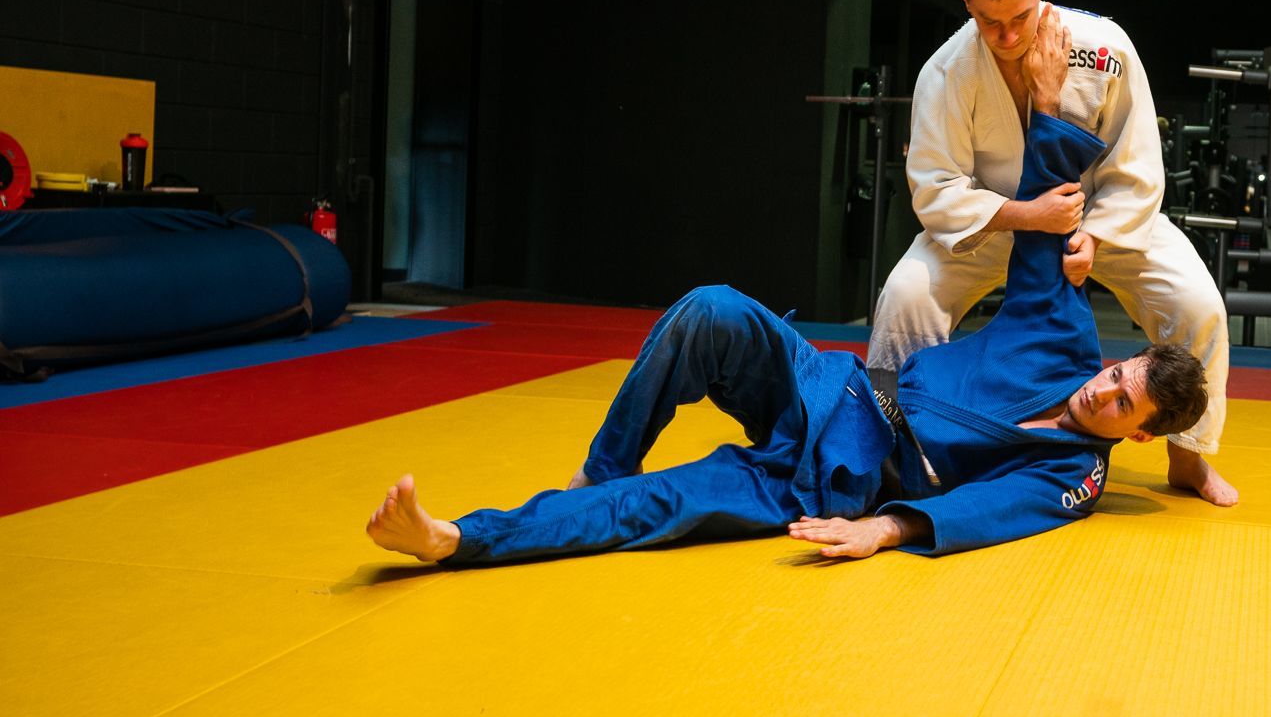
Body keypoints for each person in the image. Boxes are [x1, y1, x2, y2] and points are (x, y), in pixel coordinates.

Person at [365, 71, 1210, 565]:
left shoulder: (1076, 477)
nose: (1106, 390)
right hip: (831, 388)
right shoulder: (1065, 338)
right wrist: (1054, 103)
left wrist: (881, 529)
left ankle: (455, 540)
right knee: (712, 310)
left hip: (829, 481)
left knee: (657, 513)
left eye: (1124, 402)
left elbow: (991, 516)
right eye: (1118, 372)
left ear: (1137, 435)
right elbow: (1045, 229)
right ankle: (602, 465)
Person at [869, 0, 1238, 507]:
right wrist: (1024, 215)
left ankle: (1188, 459)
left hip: (1103, 218)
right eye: (990, 22)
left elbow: (1137, 163)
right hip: (994, 222)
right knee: (908, 294)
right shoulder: (945, 71)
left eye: (1019, 17)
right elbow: (936, 190)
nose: (1008, 36)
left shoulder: (1105, 49)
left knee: (1197, 305)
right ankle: (885, 447)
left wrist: (1093, 234)